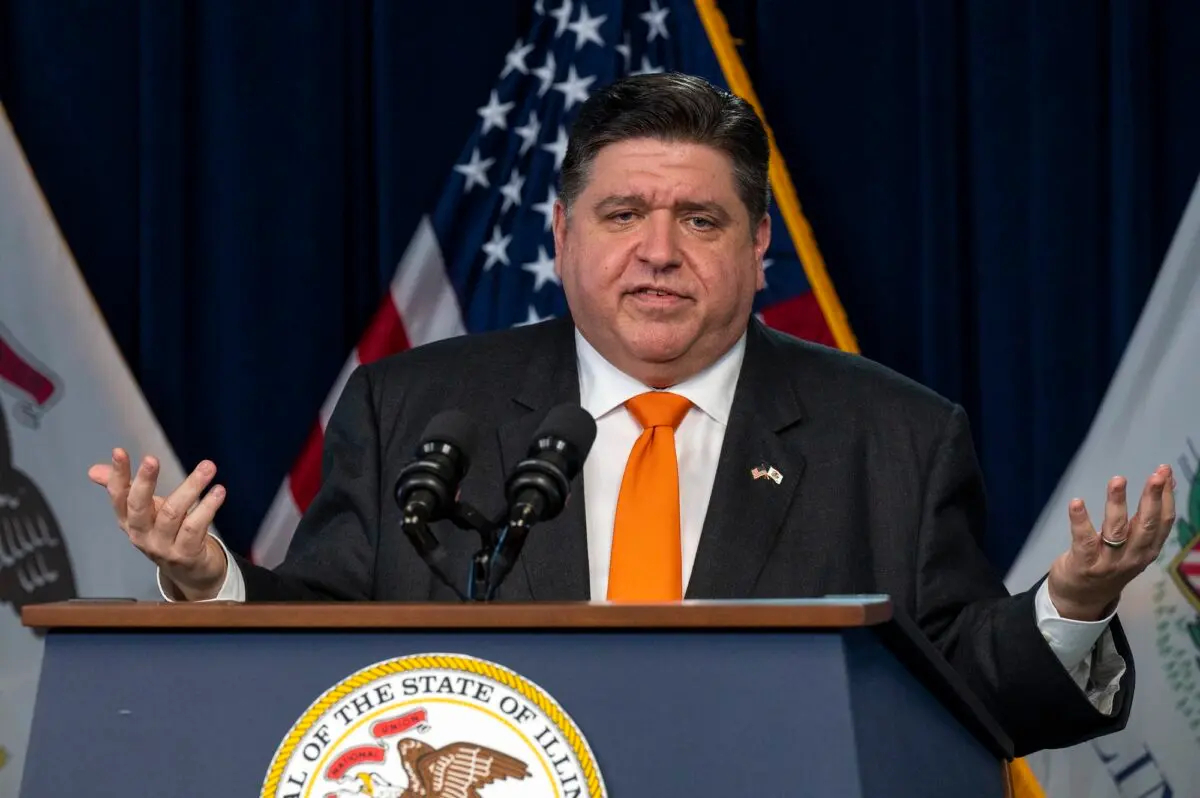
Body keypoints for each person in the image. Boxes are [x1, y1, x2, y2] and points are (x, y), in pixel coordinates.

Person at [88, 72, 1173, 757]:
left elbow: (965, 695)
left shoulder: (893, 434)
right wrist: (209, 583)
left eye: (701, 218)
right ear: (562, 236)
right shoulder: (415, 404)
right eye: (623, 214)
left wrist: (1069, 606)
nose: (659, 250)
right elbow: (329, 648)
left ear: (757, 250)